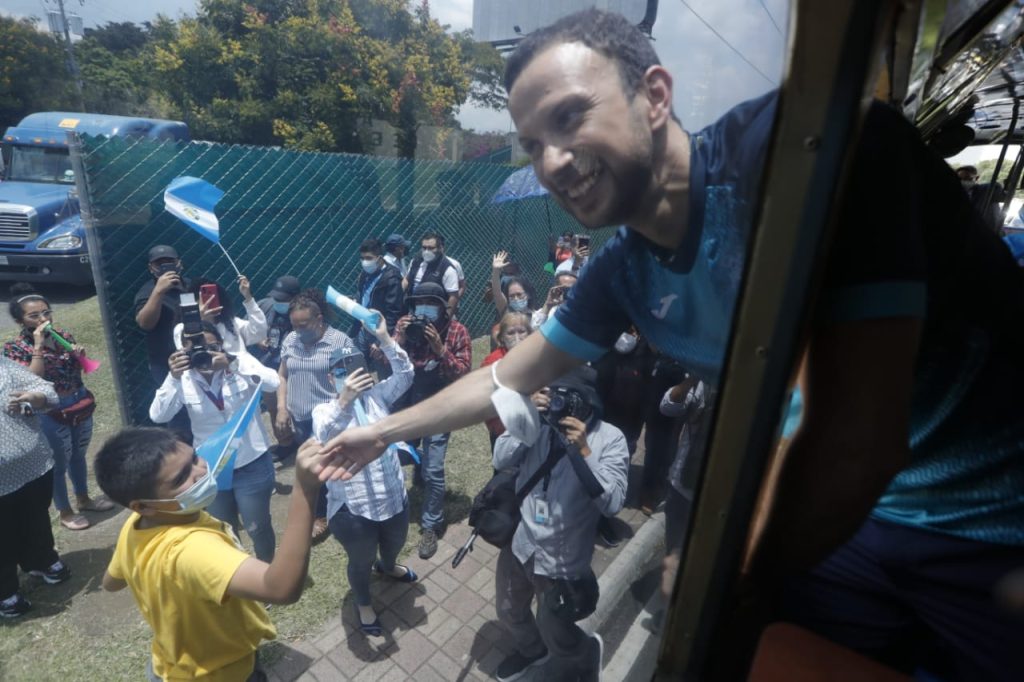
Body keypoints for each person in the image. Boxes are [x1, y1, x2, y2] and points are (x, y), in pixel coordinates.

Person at [315, 10, 1024, 679]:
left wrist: (720, 564)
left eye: (569, 118)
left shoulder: (809, 151)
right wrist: (381, 432)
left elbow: (855, 441)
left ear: (655, 95)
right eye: (532, 145)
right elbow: (503, 378)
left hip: (993, 530)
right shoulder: (622, 269)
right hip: (846, 529)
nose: (551, 161)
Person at [96, 429, 323, 681]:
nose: (201, 471)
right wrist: (305, 490)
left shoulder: (135, 525)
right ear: (143, 506)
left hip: (167, 664)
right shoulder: (191, 550)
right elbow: (280, 589)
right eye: (181, 478)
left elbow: (111, 582)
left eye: (194, 458)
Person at [492, 368, 628, 682]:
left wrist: (584, 451)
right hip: (522, 544)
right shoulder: (539, 424)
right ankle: (532, 651)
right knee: (508, 609)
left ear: (590, 401)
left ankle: (585, 653)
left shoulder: (610, 438)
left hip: (561, 560)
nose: (560, 404)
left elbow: (613, 503)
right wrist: (527, 415)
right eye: (555, 395)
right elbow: (500, 459)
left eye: (569, 397)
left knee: (555, 628)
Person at [313, 316, 417, 636]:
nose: (350, 378)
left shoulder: (378, 397)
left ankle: (388, 566)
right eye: (341, 372)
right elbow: (323, 436)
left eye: (355, 369)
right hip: (353, 510)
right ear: (330, 378)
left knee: (395, 542)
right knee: (360, 560)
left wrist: (385, 338)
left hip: (393, 496)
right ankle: (363, 602)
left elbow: (406, 374)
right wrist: (344, 400)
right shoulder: (324, 410)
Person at [149, 323, 280, 562]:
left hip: (251, 461)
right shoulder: (182, 378)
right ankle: (236, 572)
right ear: (183, 351)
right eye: (195, 348)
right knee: (224, 529)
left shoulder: (237, 361)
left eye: (211, 346)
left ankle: (267, 571)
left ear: (221, 344)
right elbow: (158, 415)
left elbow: (273, 382)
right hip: (212, 467)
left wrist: (233, 363)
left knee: (257, 527)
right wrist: (173, 377)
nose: (204, 353)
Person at [4, 283, 112, 531]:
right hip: (50, 410)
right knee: (58, 463)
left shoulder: (62, 336)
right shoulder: (14, 348)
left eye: (46, 312)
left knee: (78, 455)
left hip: (78, 402)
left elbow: (77, 370)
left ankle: (84, 499)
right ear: (20, 321)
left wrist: (79, 357)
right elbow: (32, 380)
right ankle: (65, 511)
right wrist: (38, 346)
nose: (43, 319)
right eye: (34, 316)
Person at [394, 282, 471, 559]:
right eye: (419, 303)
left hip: (440, 408)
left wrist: (441, 350)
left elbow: (463, 373)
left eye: (430, 303)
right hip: (409, 406)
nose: (424, 309)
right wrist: (398, 342)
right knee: (393, 457)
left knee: (434, 469)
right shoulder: (405, 325)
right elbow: (383, 360)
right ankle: (391, 509)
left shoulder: (457, 331)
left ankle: (431, 525)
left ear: (441, 307)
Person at [276, 289, 354, 541]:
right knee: (313, 467)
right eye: (294, 325)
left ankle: (327, 512)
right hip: (299, 417)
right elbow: (282, 375)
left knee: (331, 465)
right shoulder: (290, 340)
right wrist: (281, 407)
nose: (298, 330)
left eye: (304, 325)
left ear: (319, 319)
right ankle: (320, 509)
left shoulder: (340, 342)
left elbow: (350, 384)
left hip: (329, 420)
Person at [0, 357, 62, 618]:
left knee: (36, 517)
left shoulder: (3, 366)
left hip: (33, 465)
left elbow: (45, 389)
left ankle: (41, 560)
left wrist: (35, 398)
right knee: (3, 535)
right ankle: (6, 593)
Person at [657, 375, 709, 598]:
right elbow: (667, 406)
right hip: (681, 487)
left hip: (713, 498)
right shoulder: (702, 384)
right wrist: (693, 378)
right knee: (673, 552)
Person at [253, 275, 300, 461]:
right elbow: (248, 329)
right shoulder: (265, 305)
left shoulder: (304, 311)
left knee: (298, 407)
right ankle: (285, 443)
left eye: (283, 299)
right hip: (270, 367)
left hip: (294, 368)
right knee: (274, 408)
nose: (278, 302)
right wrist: (258, 339)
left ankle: (306, 438)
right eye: (276, 298)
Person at [134, 245, 191, 384]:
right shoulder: (147, 292)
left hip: (192, 353)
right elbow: (145, 324)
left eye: (170, 261)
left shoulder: (190, 285)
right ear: (151, 268)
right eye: (159, 264)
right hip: (166, 361)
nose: (166, 267)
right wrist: (159, 291)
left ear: (179, 263)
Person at [172, 277, 267, 356]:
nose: (207, 302)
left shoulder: (230, 323)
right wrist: (199, 321)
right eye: (202, 299)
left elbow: (258, 333)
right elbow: (189, 355)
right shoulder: (182, 329)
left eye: (214, 298)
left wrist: (248, 298)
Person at [351, 238, 404, 377]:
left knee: (384, 371)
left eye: (369, 258)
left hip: (379, 330)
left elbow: (393, 313)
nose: (365, 262)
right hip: (363, 327)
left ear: (380, 258)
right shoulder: (365, 274)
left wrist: (380, 341)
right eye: (362, 258)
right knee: (356, 367)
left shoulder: (392, 278)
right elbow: (363, 294)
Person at [480, 310, 533, 448]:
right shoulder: (493, 362)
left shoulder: (536, 357)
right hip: (504, 431)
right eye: (510, 333)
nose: (517, 337)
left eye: (522, 331)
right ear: (502, 337)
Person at [402, 232, 460, 315]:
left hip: (434, 311)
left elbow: (453, 296)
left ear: (440, 248)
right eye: (424, 248)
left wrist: (446, 317)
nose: (426, 251)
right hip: (413, 307)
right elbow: (407, 279)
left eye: (431, 248)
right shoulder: (415, 261)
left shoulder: (447, 269)